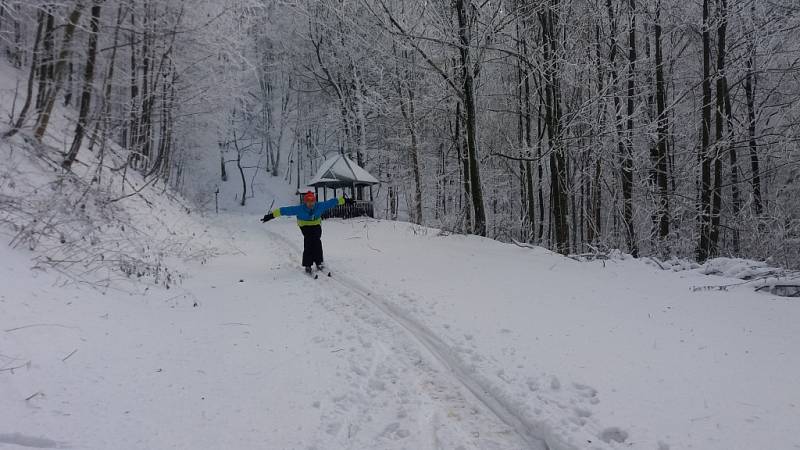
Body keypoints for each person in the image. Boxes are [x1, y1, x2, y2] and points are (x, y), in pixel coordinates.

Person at [261, 191, 353, 274]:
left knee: (316, 241)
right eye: (308, 202)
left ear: (314, 201)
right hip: (304, 226)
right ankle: (307, 265)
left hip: (316, 225)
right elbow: (284, 210)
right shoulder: (299, 209)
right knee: (309, 241)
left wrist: (345, 200)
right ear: (305, 202)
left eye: (312, 201)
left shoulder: (319, 206)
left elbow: (332, 202)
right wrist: (271, 216)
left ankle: (319, 262)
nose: (310, 204)